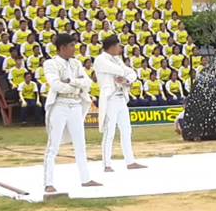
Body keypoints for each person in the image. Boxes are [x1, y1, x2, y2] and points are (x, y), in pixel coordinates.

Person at [42, 34, 100, 193]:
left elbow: (88, 83)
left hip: (75, 104)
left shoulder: (76, 63)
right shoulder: (50, 63)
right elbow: (56, 85)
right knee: (53, 145)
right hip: (59, 104)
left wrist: (72, 82)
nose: (74, 49)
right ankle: (48, 182)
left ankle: (85, 178)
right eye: (72, 46)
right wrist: (77, 85)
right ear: (62, 47)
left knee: (80, 143)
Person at [94, 36, 147, 173]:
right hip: (110, 98)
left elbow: (132, 73)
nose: (120, 48)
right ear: (112, 47)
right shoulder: (101, 59)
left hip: (121, 98)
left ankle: (130, 161)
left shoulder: (117, 60)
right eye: (118, 46)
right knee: (109, 132)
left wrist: (127, 80)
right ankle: (107, 164)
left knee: (126, 130)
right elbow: (120, 70)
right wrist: (125, 73)